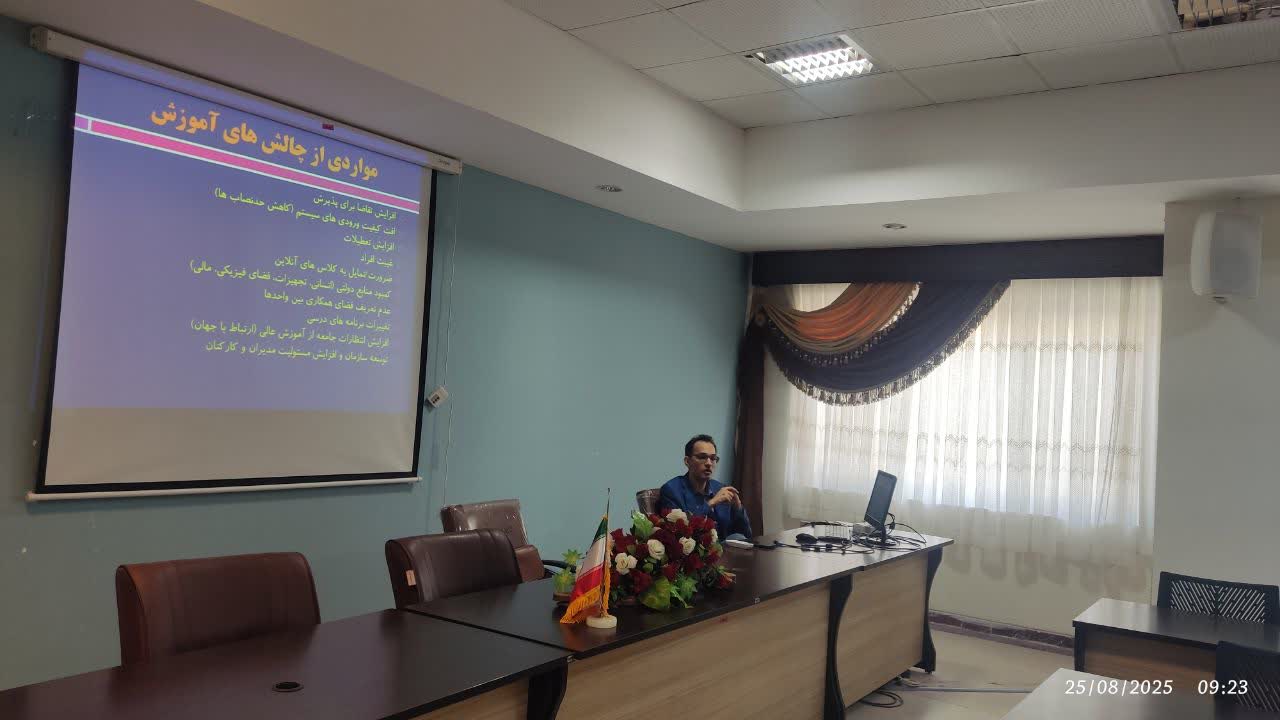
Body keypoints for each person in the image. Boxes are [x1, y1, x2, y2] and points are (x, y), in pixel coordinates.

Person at [657, 434, 753, 541]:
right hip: (694, 550)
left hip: (724, 549)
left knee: (738, 537)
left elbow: (747, 536)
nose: (709, 463)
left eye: (713, 458)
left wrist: (738, 508)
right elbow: (679, 534)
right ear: (687, 461)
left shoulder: (721, 488)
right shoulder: (671, 490)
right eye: (702, 457)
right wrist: (711, 503)